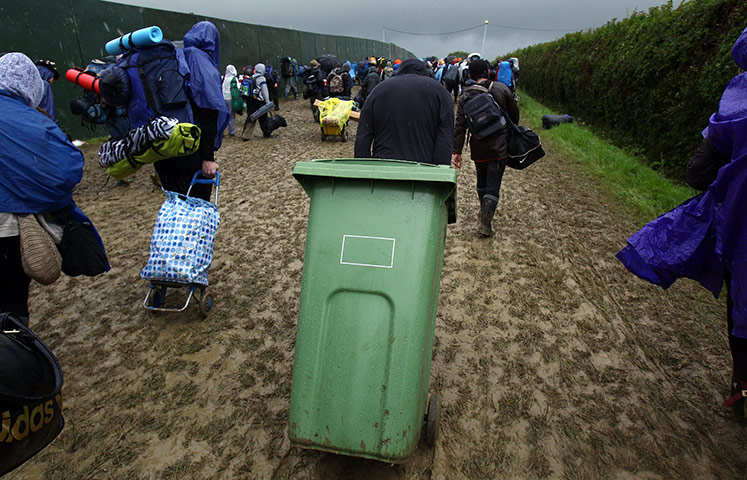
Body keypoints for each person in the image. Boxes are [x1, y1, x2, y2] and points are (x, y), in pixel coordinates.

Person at [616, 26, 747, 421]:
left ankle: (742, 390)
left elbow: (698, 171)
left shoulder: (738, 101)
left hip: (743, 230)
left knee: (742, 304)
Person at [0, 53, 107, 323]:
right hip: (7, 231)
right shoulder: (30, 121)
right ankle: (13, 351)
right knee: (11, 302)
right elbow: (66, 169)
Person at [155, 20, 228, 201]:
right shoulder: (202, 63)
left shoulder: (174, 57)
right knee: (195, 207)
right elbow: (208, 112)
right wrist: (208, 158)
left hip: (166, 146)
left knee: (175, 206)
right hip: (191, 149)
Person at [452, 59, 519, 237]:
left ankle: (483, 212)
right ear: (488, 72)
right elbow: (514, 115)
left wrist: (456, 151)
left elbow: (460, 126)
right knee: (493, 185)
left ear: (470, 75)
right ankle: (485, 223)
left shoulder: (465, 96)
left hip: (478, 147)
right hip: (499, 148)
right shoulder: (501, 88)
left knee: (481, 182)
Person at [354, 58, 454, 165]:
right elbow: (445, 138)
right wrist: (440, 172)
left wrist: (364, 169)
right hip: (424, 169)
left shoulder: (378, 91)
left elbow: (363, 136)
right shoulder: (441, 93)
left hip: (384, 168)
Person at [221, 64, 238, 137]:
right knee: (231, 115)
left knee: (223, 116)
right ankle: (231, 131)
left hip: (223, 98)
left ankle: (222, 131)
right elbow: (238, 87)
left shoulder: (223, 78)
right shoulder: (234, 79)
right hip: (231, 99)